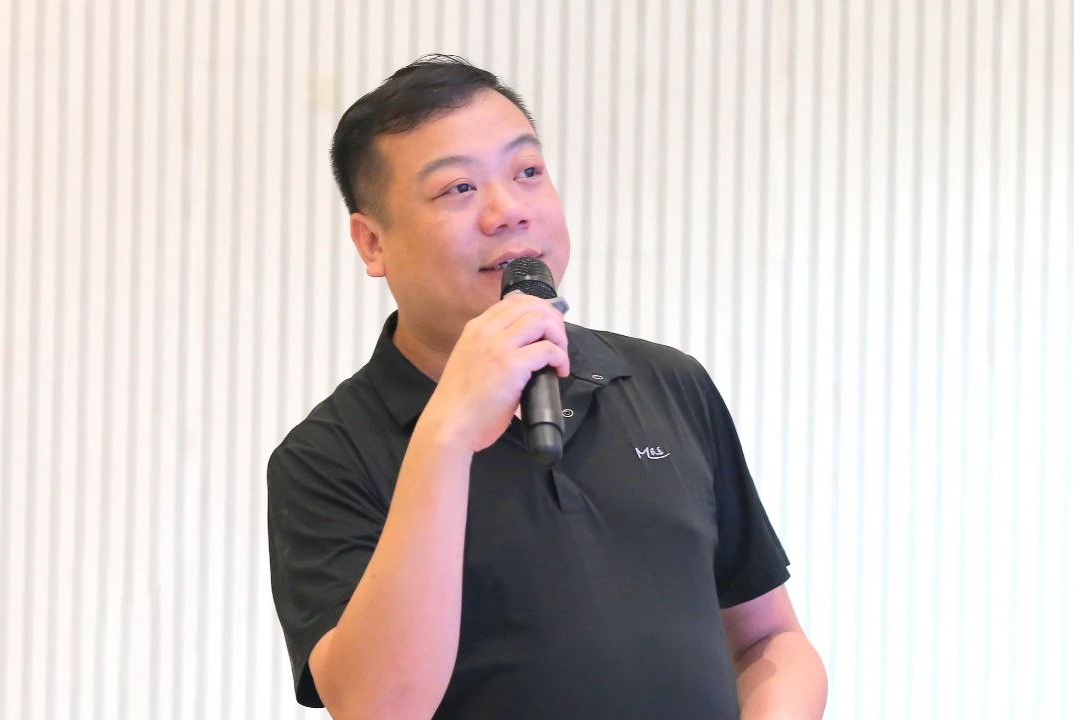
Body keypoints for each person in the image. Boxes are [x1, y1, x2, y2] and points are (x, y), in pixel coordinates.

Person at [267, 54, 827, 719]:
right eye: (458, 188)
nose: (508, 210)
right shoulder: (326, 456)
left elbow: (768, 638)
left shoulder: (668, 383)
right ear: (372, 243)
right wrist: (446, 434)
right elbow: (379, 708)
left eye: (527, 172)